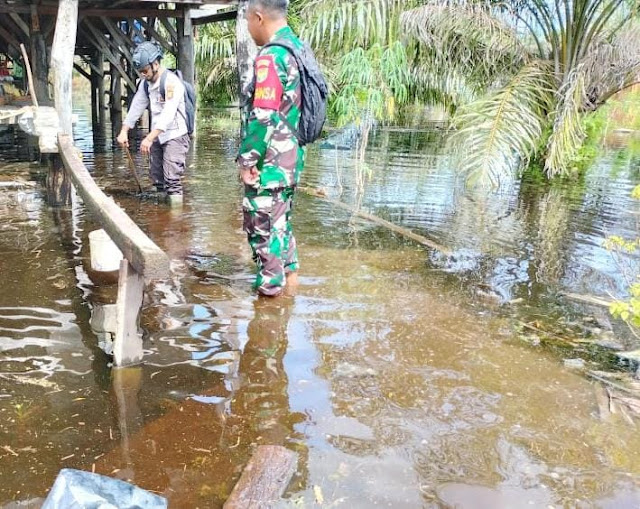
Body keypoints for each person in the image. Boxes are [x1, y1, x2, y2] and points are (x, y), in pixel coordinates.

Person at [238, 0, 305, 297]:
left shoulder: (271, 56)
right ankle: (289, 307)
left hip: (270, 165)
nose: (249, 29)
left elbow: (263, 115)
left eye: (248, 21)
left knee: (265, 241)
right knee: (281, 232)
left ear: (258, 17)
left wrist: (247, 160)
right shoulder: (297, 48)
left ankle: (266, 333)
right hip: (290, 162)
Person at [117, 41, 190, 205]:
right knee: (157, 178)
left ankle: (175, 221)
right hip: (157, 136)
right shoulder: (145, 84)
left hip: (175, 135)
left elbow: (168, 114)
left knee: (172, 179)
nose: (143, 74)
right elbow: (136, 107)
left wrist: (149, 138)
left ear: (156, 64)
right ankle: (161, 219)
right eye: (140, 71)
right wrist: (124, 130)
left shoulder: (172, 83)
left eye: (145, 70)